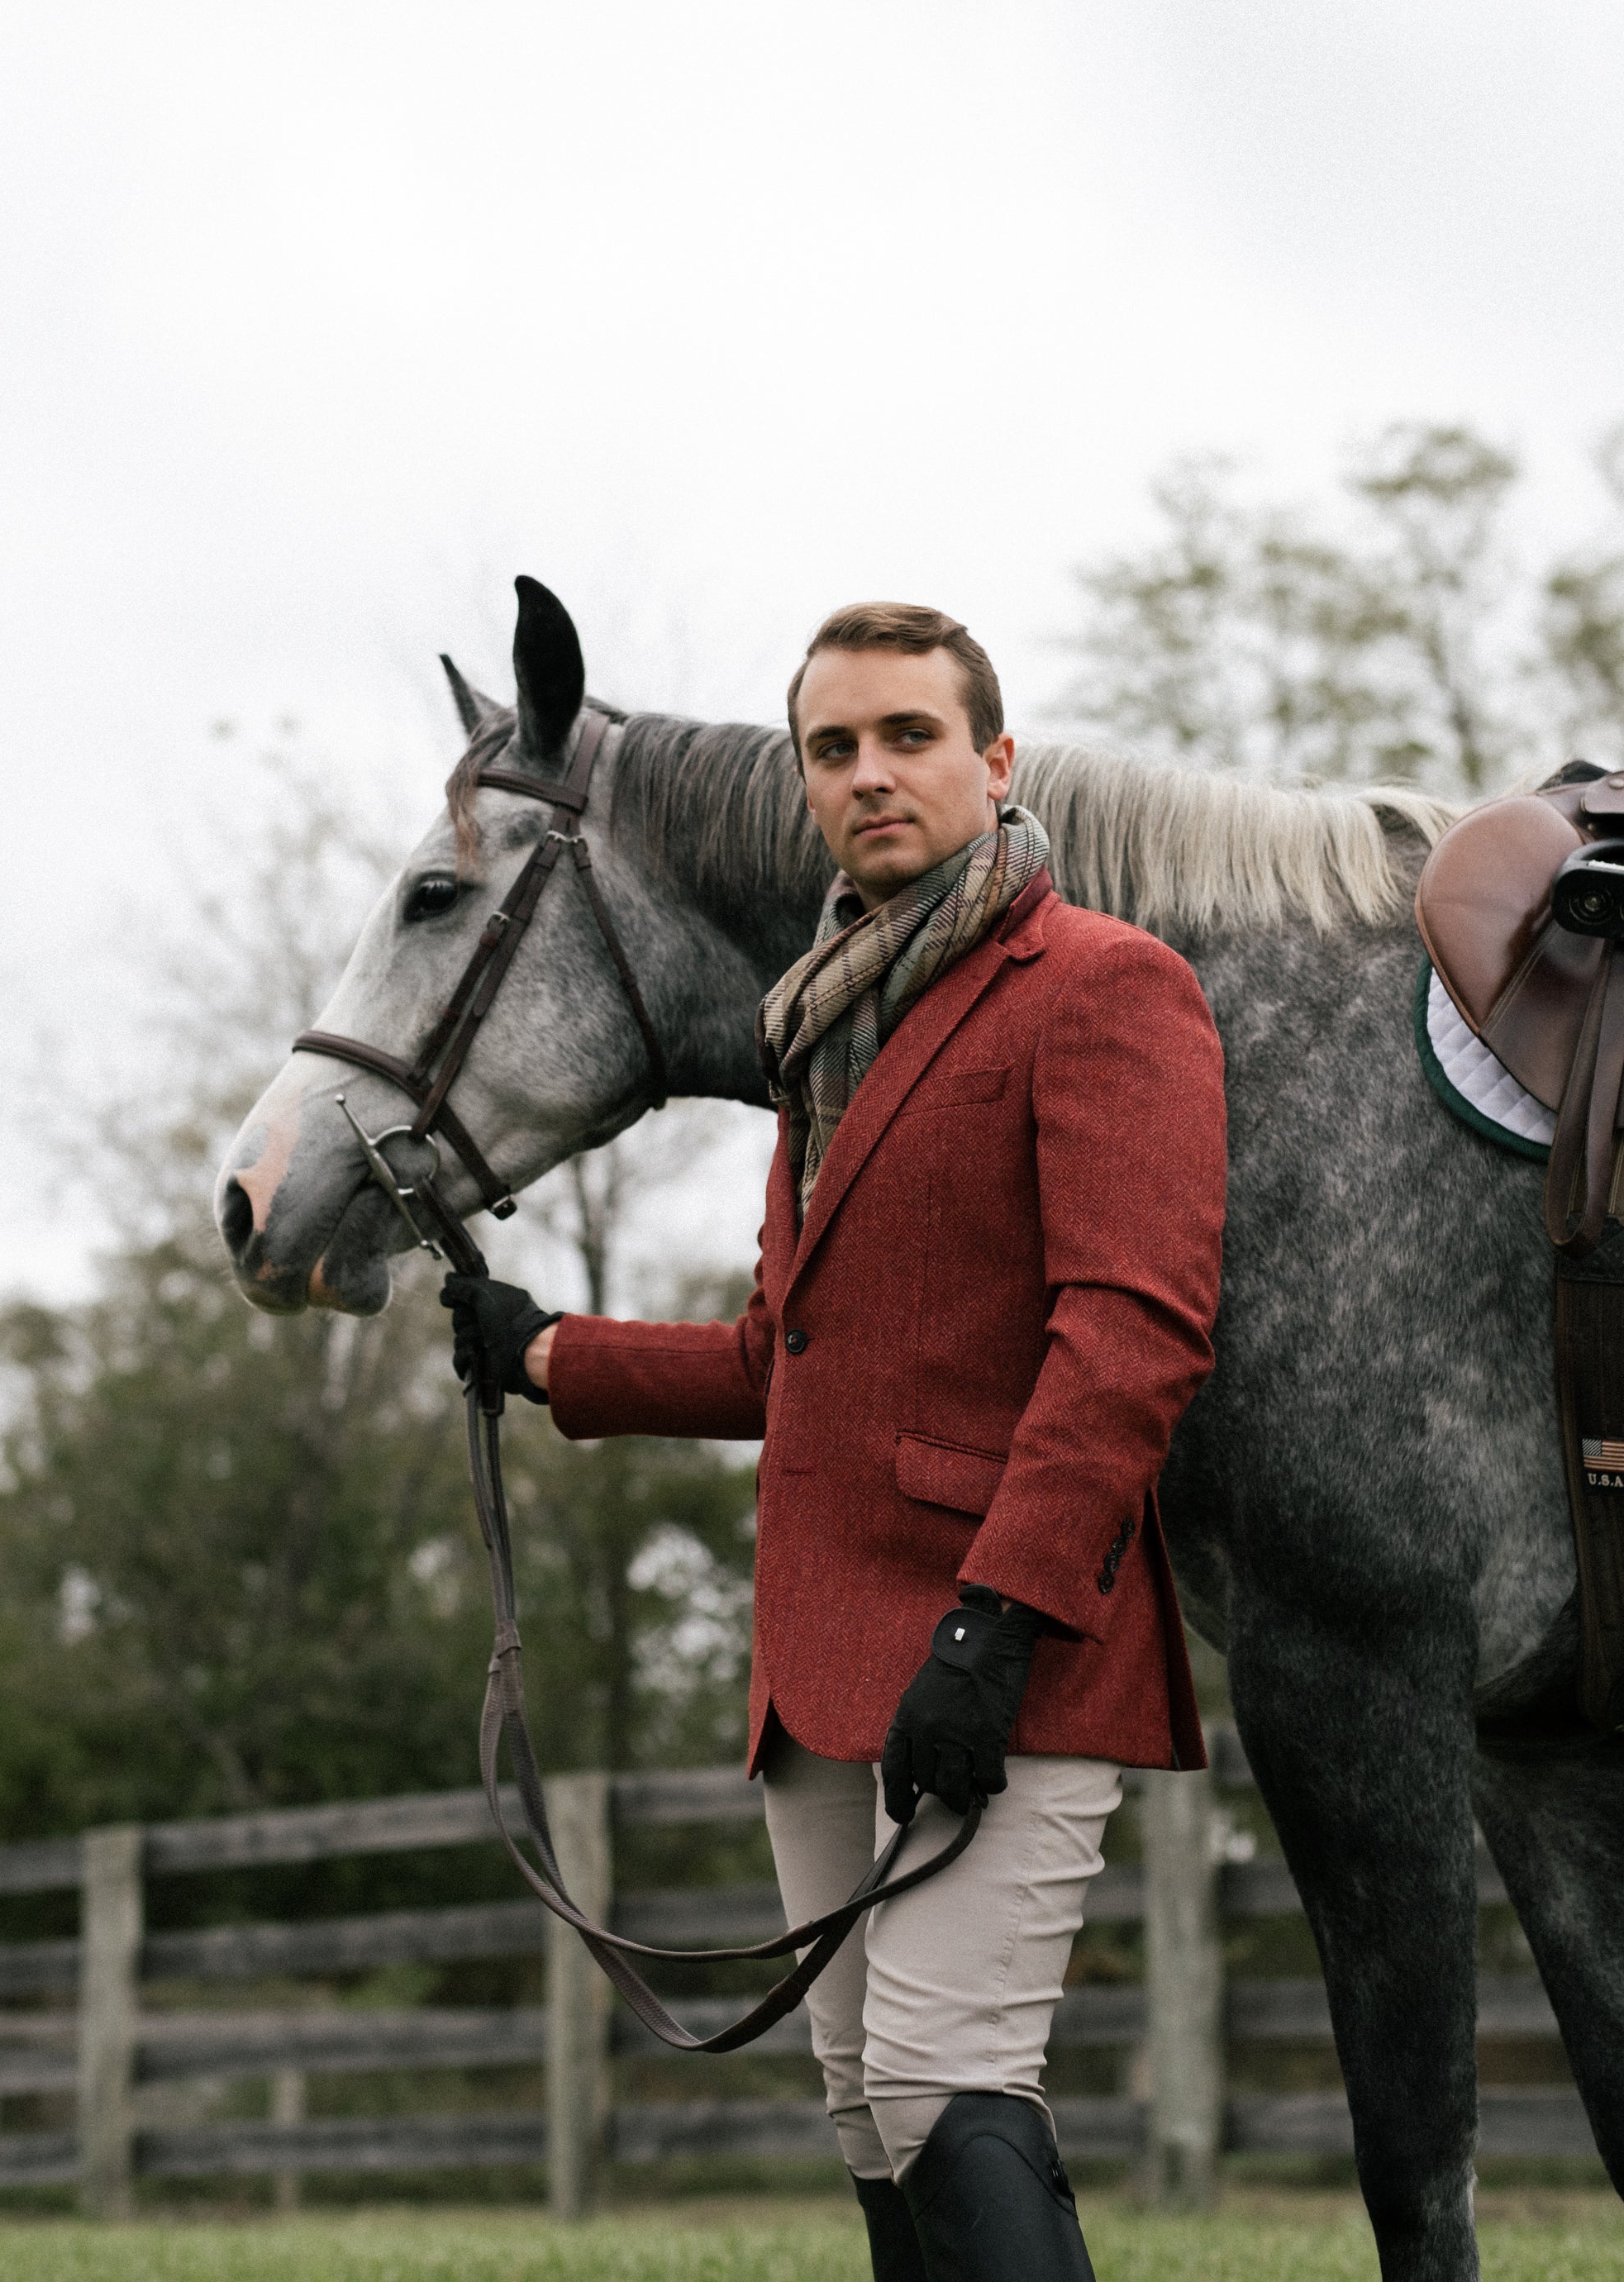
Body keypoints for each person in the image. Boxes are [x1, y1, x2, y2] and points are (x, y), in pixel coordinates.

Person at [444, 604, 1226, 2281]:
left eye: (908, 736)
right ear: (805, 782)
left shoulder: (1102, 986)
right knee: (869, 2109)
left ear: (994, 762)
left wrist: (999, 1617)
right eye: (833, 747)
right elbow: (780, 1354)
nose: (870, 773)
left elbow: (1133, 1335)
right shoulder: (820, 1026)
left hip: (1000, 1643)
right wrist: (550, 1356)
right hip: (817, 1652)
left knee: (951, 2085)